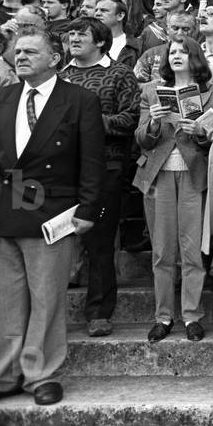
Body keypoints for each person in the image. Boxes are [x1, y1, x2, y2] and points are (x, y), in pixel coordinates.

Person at [0, 27, 105, 405]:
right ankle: (7, 373)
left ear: (55, 59)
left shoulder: (79, 99)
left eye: (30, 51)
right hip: (6, 211)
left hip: (53, 213)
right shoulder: (4, 96)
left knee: (46, 299)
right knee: (7, 300)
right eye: (17, 51)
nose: (21, 56)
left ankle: (39, 375)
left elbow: (93, 161)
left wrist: (91, 210)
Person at [134, 35, 213, 344]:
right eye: (171, 51)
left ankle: (191, 315)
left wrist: (199, 132)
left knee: (192, 251)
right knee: (162, 251)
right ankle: (163, 316)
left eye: (183, 52)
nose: (176, 56)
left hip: (194, 176)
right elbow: (140, 137)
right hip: (159, 175)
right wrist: (152, 124)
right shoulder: (150, 91)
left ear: (195, 58)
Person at [60, 17, 141, 337]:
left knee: (100, 244)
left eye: (82, 34)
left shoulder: (118, 73)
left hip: (105, 168)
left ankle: (98, 312)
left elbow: (130, 118)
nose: (74, 37)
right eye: (71, 34)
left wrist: (87, 123)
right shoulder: (59, 76)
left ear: (101, 41)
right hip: (61, 169)